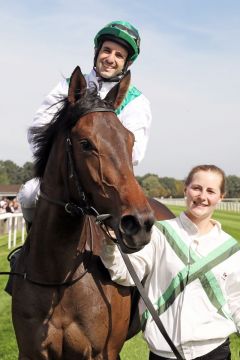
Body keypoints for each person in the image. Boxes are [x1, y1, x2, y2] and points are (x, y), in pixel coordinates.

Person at [18, 20, 152, 225]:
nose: (110, 59)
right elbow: (38, 129)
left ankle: (116, 256)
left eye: (119, 55)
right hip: (63, 175)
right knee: (28, 194)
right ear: (97, 52)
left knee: (127, 220)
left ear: (127, 63)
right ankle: (30, 243)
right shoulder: (68, 85)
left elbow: (134, 153)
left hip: (108, 182)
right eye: (107, 50)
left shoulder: (136, 101)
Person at [100, 164, 240, 360]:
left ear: (221, 197)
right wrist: (110, 244)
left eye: (211, 191)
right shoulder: (159, 234)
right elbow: (126, 274)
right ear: (186, 190)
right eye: (197, 188)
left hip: (214, 352)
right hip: (163, 352)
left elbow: (236, 302)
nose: (202, 196)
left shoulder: (230, 249)